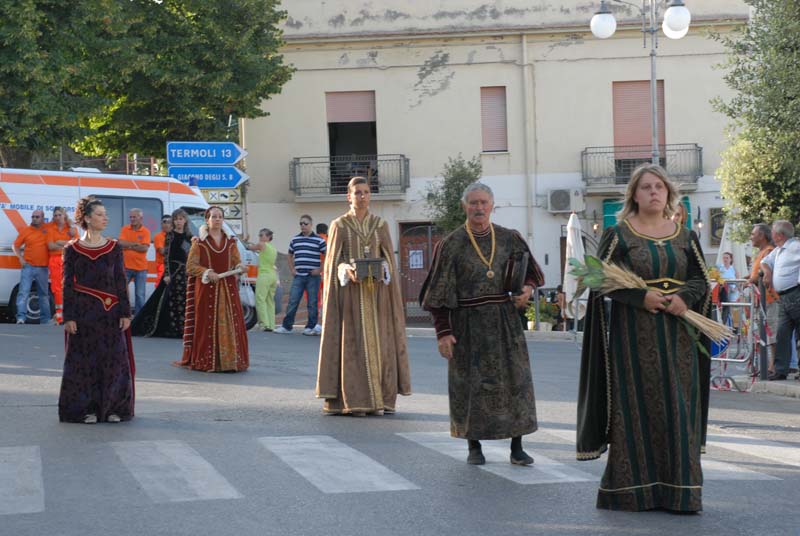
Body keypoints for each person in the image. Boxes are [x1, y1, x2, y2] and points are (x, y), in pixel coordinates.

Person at [576, 164, 710, 513]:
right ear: (634, 194)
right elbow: (596, 276)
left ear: (668, 194)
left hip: (679, 335)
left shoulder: (685, 236)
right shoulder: (619, 234)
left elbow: (700, 279)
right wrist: (639, 297)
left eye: (659, 187)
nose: (654, 192)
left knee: (678, 408)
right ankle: (633, 491)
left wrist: (684, 299)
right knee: (637, 409)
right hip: (633, 338)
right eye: (646, 187)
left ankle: (680, 493)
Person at [420, 181, 544, 466]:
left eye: (483, 202)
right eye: (473, 203)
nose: (478, 207)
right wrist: (443, 332)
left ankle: (517, 447)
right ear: (464, 206)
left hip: (505, 321)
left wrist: (526, 290)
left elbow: (533, 273)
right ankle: (473, 446)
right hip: (467, 323)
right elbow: (437, 293)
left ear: (492, 206)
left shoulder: (509, 237)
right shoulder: (450, 244)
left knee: (516, 382)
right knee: (470, 385)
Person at [317, 177, 411, 416]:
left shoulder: (380, 225)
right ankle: (354, 401)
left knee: (381, 345)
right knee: (353, 346)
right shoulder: (339, 224)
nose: (362, 196)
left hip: (377, 296)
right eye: (357, 192)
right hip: (350, 296)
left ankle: (382, 399)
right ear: (349, 196)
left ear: (370, 196)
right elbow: (332, 262)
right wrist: (346, 270)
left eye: (366, 192)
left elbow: (389, 257)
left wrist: (384, 271)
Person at [58, 197, 134, 424]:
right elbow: (66, 284)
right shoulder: (72, 249)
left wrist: (125, 313)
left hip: (110, 314)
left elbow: (121, 280)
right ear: (87, 219)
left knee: (114, 361)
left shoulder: (113, 248)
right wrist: (68, 317)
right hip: (83, 314)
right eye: (100, 214)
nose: (105, 218)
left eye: (105, 214)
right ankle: (85, 410)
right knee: (83, 363)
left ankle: (113, 408)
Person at [174, 206, 249, 372]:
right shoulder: (199, 242)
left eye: (220, 217)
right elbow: (191, 266)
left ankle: (230, 361)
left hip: (228, 289)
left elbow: (235, 261)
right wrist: (207, 272)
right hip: (207, 288)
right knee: (207, 323)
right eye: (214, 217)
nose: (217, 219)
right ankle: (208, 361)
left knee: (230, 323)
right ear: (207, 219)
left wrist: (240, 266)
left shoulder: (231, 242)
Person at [130, 209, 193, 338]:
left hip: (185, 272)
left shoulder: (189, 237)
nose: (178, 221)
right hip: (174, 271)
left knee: (186, 300)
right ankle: (174, 327)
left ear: (185, 220)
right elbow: (167, 256)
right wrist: (167, 274)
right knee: (171, 300)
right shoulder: (170, 235)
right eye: (176, 219)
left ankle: (185, 328)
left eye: (181, 219)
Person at [761, 220, 800, 381]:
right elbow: (765, 262)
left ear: (779, 235)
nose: (771, 235)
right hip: (783, 296)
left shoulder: (795, 246)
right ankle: (781, 369)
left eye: (773, 232)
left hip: (795, 293)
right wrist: (768, 273)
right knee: (782, 333)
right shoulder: (778, 250)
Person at [274, 214, 326, 335]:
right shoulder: (295, 240)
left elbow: (328, 255)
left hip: (313, 276)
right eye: (301, 223)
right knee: (293, 300)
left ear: (311, 225)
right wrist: (292, 269)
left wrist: (320, 269)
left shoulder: (319, 240)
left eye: (305, 223)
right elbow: (289, 255)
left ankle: (310, 326)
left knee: (312, 302)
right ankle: (287, 326)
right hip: (299, 275)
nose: (303, 226)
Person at [747, 223, 779, 374]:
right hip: (763, 301)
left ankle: (772, 366)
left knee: (772, 333)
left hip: (771, 300)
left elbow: (762, 275)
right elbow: (755, 274)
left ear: (762, 236)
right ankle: (767, 366)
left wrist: (750, 280)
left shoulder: (769, 252)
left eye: (753, 234)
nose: (751, 237)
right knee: (765, 334)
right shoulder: (761, 252)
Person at [12, 209, 52, 324]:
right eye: (33, 216)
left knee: (44, 295)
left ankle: (45, 320)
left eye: (37, 217)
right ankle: (21, 318)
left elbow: (61, 225)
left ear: (43, 218)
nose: (34, 219)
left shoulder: (48, 229)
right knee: (23, 293)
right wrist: (20, 258)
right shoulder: (26, 230)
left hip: (43, 268)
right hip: (28, 266)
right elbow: (15, 245)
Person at [45, 207, 78, 324]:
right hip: (55, 260)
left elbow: (76, 244)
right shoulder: (50, 229)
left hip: (70, 260)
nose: (57, 217)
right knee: (57, 289)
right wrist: (66, 244)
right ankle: (59, 316)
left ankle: (71, 315)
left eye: (60, 215)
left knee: (71, 287)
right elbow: (50, 246)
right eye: (55, 215)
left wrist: (59, 242)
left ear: (64, 215)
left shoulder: (71, 229)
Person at [118, 208, 151, 315]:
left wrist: (128, 245)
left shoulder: (145, 231)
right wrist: (135, 244)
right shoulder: (125, 229)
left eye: (134, 217)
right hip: (126, 266)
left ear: (141, 218)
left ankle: (138, 320)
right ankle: (122, 315)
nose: (132, 219)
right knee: (121, 291)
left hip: (141, 268)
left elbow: (144, 249)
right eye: (131, 217)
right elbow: (120, 243)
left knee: (139, 295)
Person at [247, 228, 279, 331]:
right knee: (270, 301)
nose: (260, 237)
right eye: (259, 235)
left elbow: (250, 247)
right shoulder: (273, 248)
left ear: (268, 237)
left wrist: (246, 243)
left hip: (264, 275)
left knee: (260, 299)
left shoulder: (262, 245)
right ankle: (271, 324)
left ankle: (264, 324)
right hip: (273, 275)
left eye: (262, 235)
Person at [154, 215, 172, 285]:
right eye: (164, 222)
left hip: (173, 266)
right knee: (160, 287)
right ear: (161, 224)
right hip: (162, 266)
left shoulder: (174, 236)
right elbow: (162, 251)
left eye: (169, 222)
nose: (167, 224)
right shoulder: (158, 236)